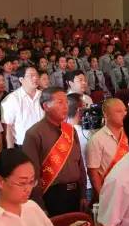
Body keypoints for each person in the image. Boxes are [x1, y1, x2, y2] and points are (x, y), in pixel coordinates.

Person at [22, 88, 87, 216]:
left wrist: (83, 195)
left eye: (66, 102)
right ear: (46, 106)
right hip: (51, 195)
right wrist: (39, 205)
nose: (65, 106)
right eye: (60, 102)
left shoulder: (70, 131)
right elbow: (32, 174)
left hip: (75, 193)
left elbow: (80, 165)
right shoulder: (34, 134)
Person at [86, 98, 128, 199]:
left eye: (125, 110)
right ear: (106, 114)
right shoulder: (97, 139)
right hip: (110, 192)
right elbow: (93, 173)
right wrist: (102, 197)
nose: (124, 114)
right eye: (119, 111)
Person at [1, 65, 44, 148]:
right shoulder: (12, 99)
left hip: (44, 143)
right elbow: (8, 127)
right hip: (23, 146)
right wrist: (10, 150)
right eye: (31, 76)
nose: (35, 78)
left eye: (36, 75)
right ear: (21, 80)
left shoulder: (43, 95)